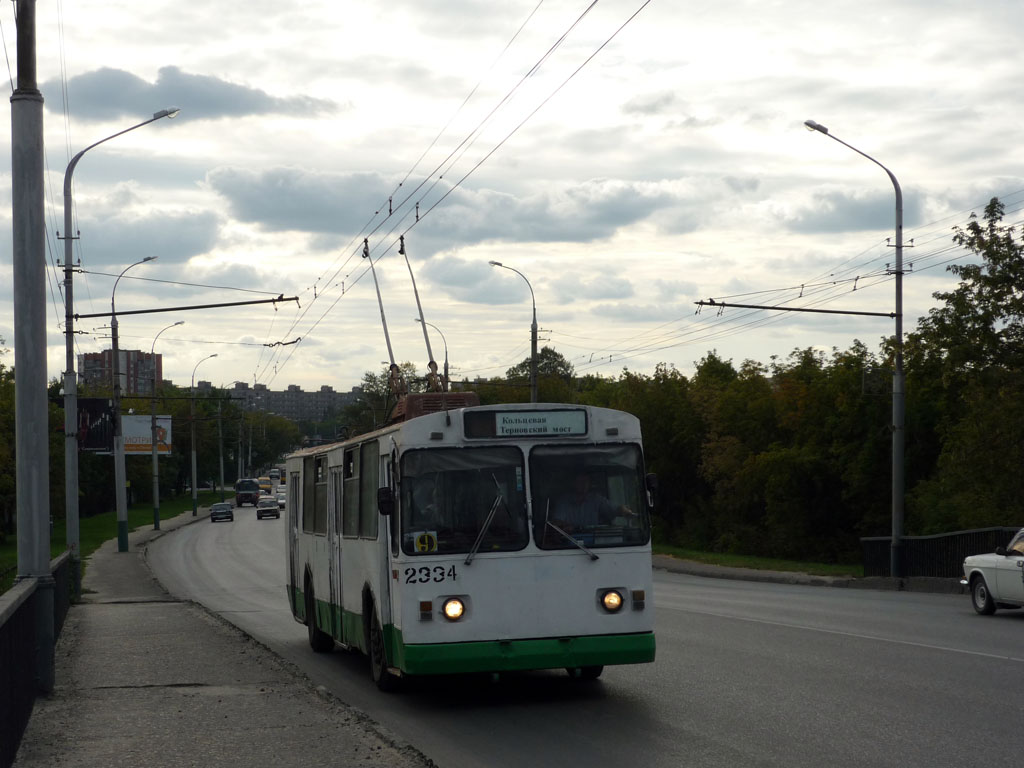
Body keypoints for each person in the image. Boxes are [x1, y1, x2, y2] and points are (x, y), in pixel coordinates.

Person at [551, 472, 631, 531]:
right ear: (574, 483)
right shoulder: (564, 501)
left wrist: (623, 510)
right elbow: (557, 522)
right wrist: (570, 527)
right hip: (570, 541)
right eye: (580, 481)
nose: (584, 484)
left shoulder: (596, 499)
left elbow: (614, 509)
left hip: (594, 544)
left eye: (586, 481)